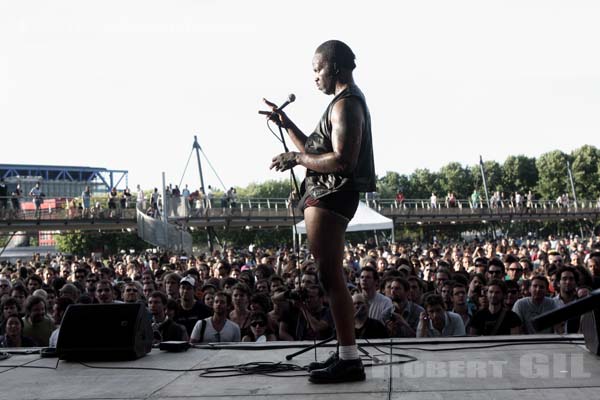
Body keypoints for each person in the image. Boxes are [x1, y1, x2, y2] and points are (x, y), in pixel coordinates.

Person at [266, 40, 375, 383]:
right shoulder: (338, 105)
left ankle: (349, 360)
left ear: (336, 67)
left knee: (330, 277)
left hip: (333, 197)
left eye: (317, 69)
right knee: (328, 276)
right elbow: (316, 150)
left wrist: (295, 159)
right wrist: (286, 124)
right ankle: (345, 351)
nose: (314, 77)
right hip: (326, 196)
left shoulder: (346, 106)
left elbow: (343, 161)